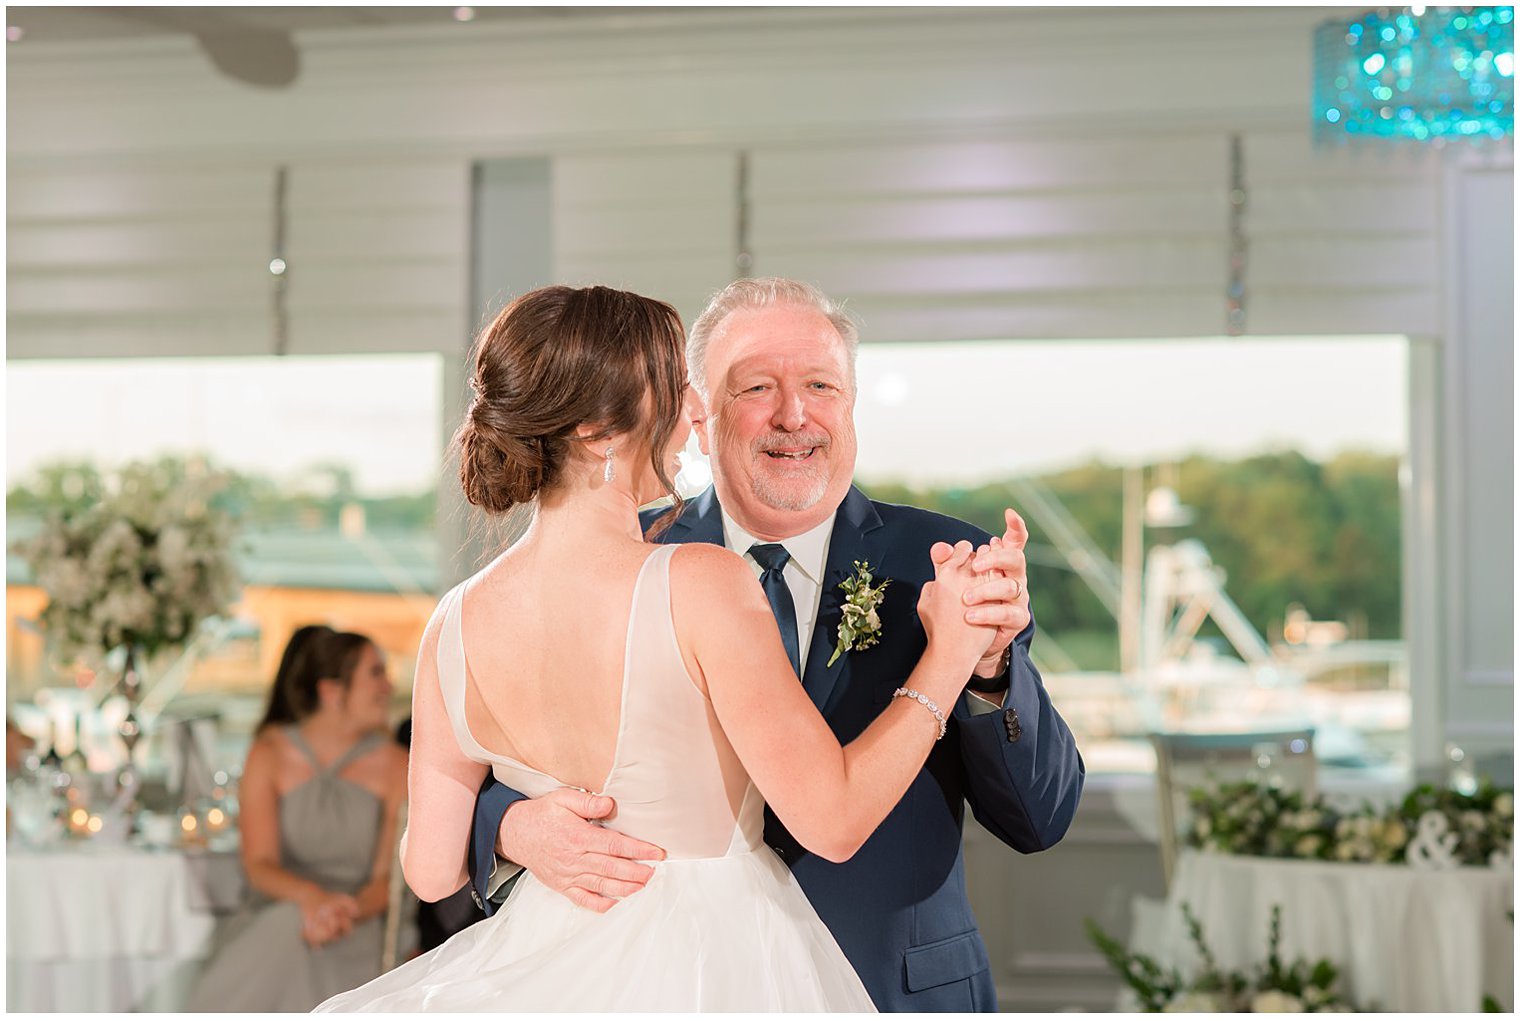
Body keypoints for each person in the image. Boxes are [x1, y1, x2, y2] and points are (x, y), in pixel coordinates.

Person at [315, 284, 995, 1011]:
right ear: (601, 432)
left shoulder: (451, 622)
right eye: (674, 388)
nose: (696, 411)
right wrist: (952, 654)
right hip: (718, 966)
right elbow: (831, 819)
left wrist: (512, 827)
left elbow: (429, 868)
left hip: (549, 970)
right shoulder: (701, 582)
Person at [471, 277, 1085, 1011]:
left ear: (851, 404)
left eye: (821, 384)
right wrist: (509, 826)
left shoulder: (948, 561)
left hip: (895, 991)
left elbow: (1038, 816)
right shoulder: (615, 565)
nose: (794, 414)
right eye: (756, 386)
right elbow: (488, 759)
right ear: (696, 415)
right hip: (683, 991)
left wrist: (984, 666)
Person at [187, 628, 408, 1012]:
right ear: (332, 691)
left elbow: (385, 881)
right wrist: (312, 901)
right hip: (282, 911)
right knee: (286, 928)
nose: (388, 686)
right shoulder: (269, 752)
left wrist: (339, 912)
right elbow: (258, 864)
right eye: (375, 673)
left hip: (356, 925)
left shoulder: (395, 764)